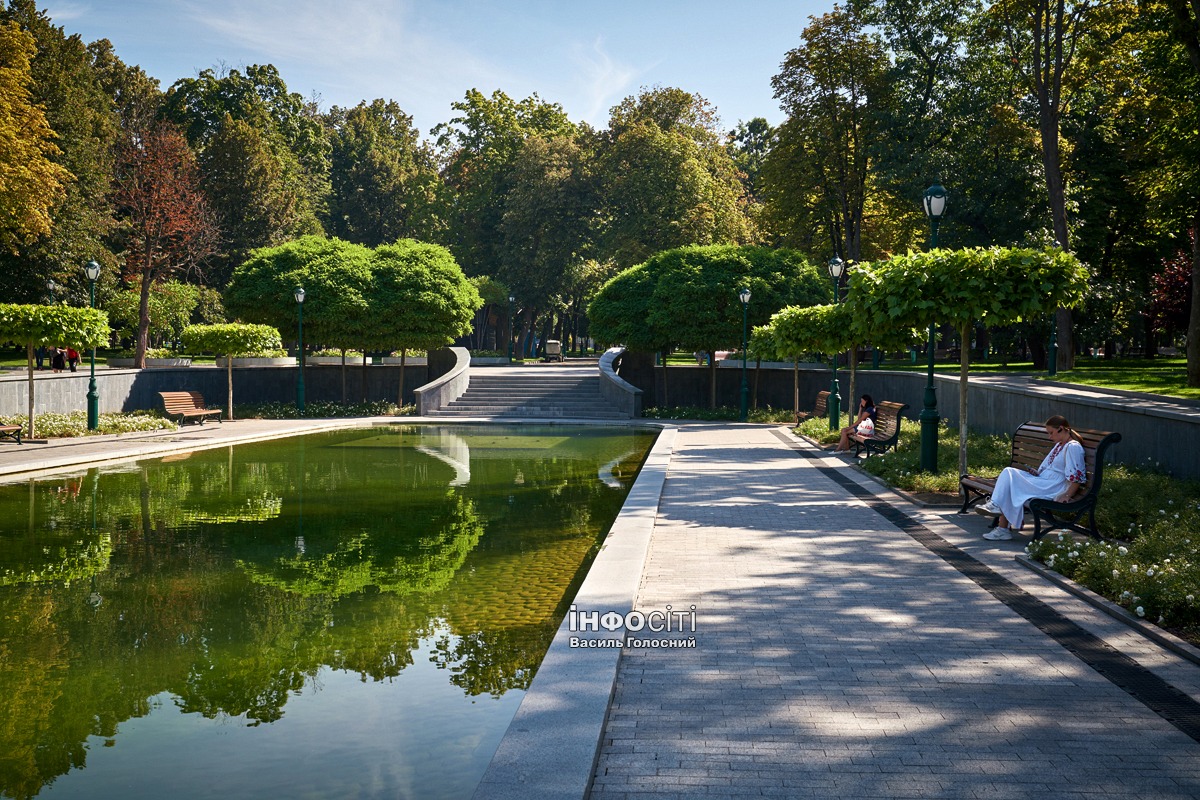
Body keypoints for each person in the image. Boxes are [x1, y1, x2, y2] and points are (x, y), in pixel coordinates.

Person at [977, 415, 1087, 540]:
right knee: (1009, 475)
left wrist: (1067, 495)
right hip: (1044, 481)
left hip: (1052, 487)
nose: (1049, 437)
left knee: (1010, 476)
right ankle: (1001, 524)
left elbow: (1077, 476)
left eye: (1051, 433)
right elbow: (1051, 467)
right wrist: (1037, 473)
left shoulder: (1073, 447)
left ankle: (998, 515)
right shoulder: (1060, 445)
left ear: (1061, 429)